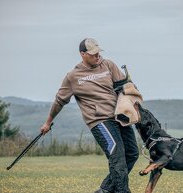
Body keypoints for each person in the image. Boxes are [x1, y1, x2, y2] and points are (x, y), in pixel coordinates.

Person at [40, 38, 139, 193]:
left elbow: (124, 86)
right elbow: (59, 101)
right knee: (117, 157)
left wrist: (133, 99)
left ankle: (104, 190)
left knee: (132, 154)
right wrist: (48, 122)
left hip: (119, 117)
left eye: (98, 52)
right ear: (83, 54)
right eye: (93, 54)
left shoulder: (108, 65)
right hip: (100, 122)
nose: (97, 56)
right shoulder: (73, 76)